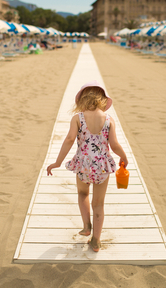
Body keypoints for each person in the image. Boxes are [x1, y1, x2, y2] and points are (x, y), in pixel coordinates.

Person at [46, 81, 128, 252]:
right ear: (103, 100)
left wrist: (58, 162)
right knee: (99, 204)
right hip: (102, 167)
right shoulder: (108, 119)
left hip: (83, 165)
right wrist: (123, 157)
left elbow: (69, 140)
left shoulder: (78, 118)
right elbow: (114, 145)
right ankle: (96, 240)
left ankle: (86, 226)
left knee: (83, 193)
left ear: (82, 100)